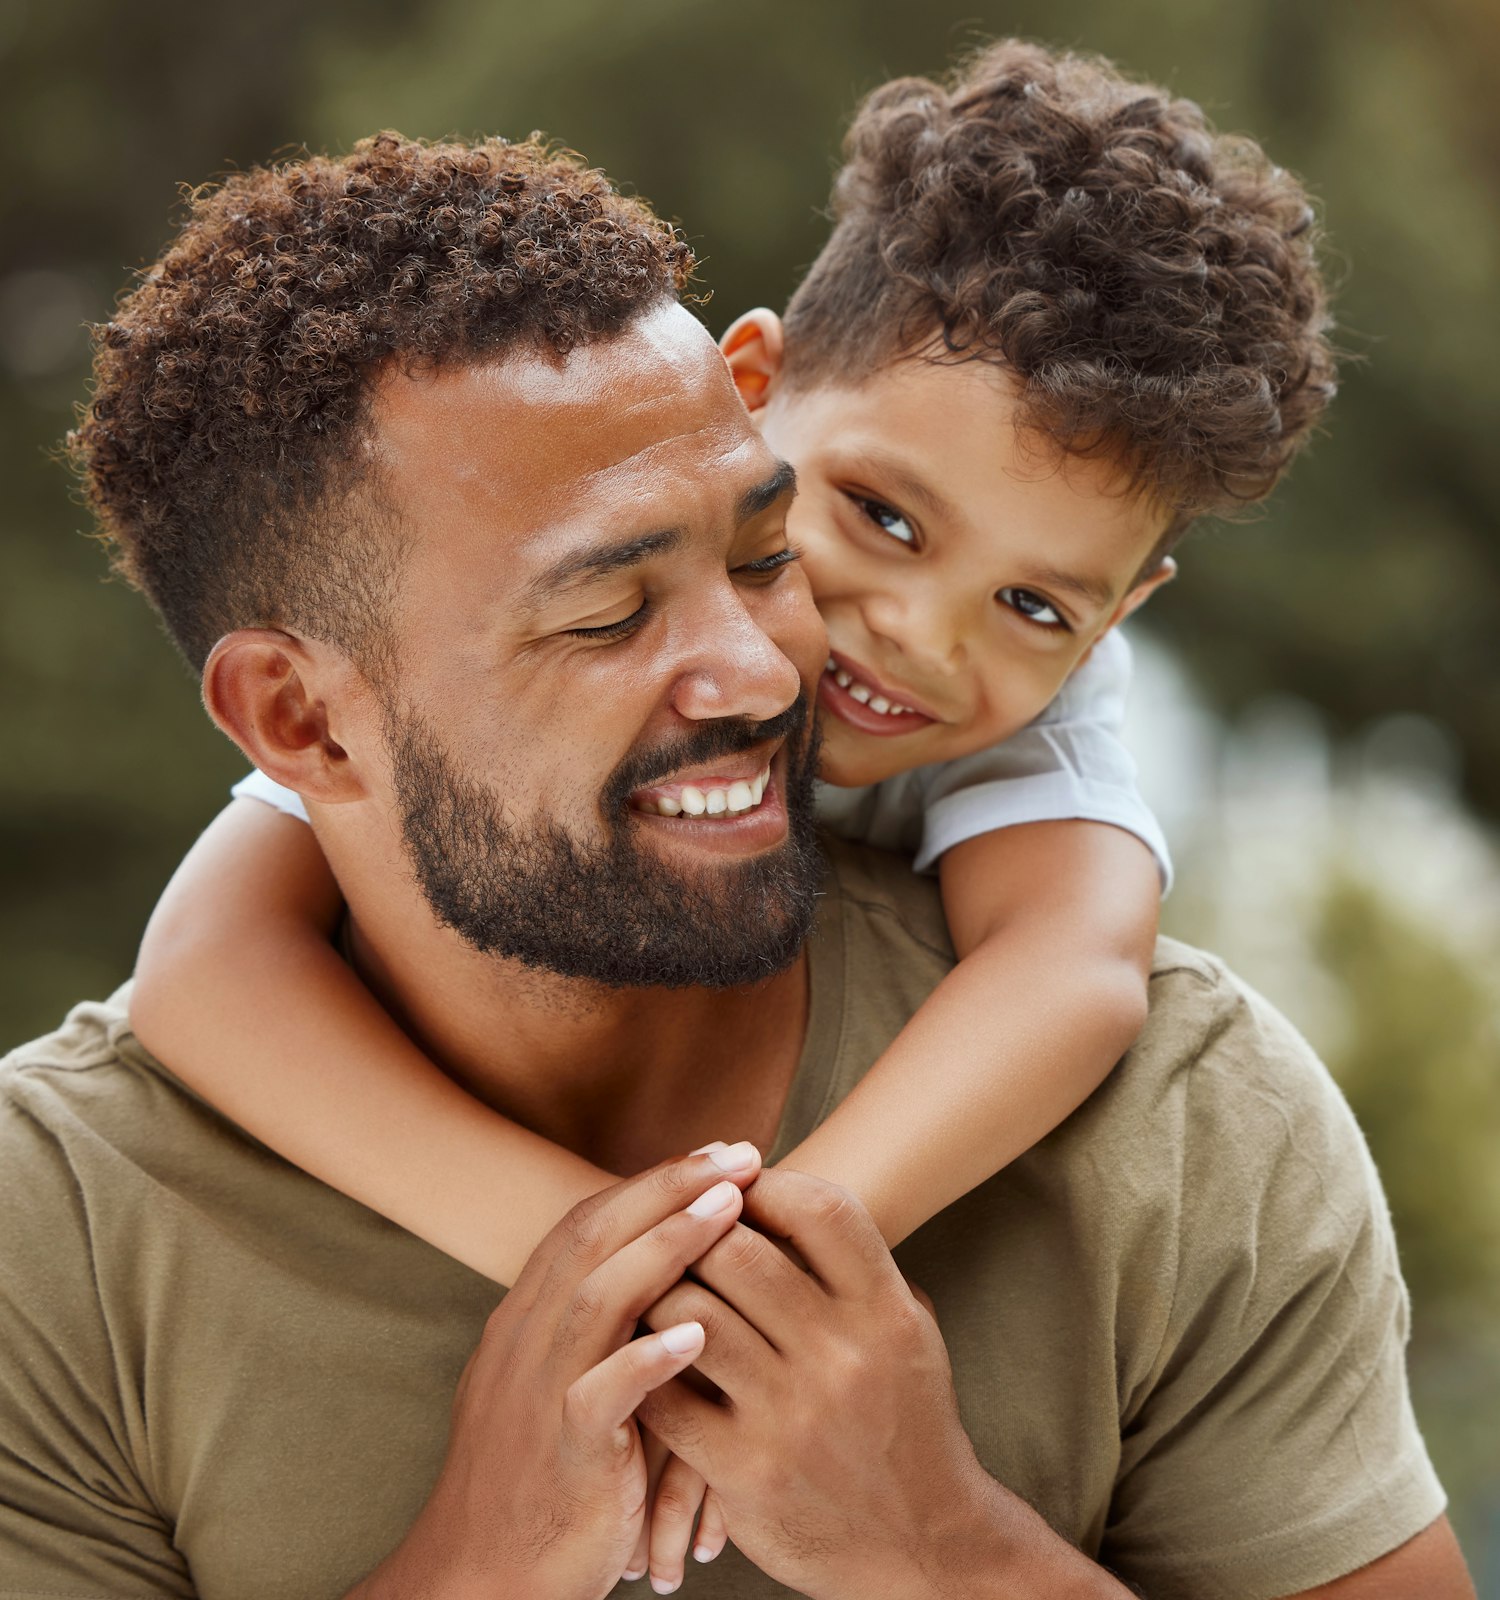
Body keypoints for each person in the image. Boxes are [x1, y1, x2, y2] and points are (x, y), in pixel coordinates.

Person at [0, 101, 1472, 1600]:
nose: (823, 658)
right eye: (605, 612)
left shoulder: (1188, 1121)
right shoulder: (57, 1230)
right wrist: (505, 1497)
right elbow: (206, 970)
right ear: (303, 723)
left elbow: (1070, 970)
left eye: (757, 555)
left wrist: (941, 1547)